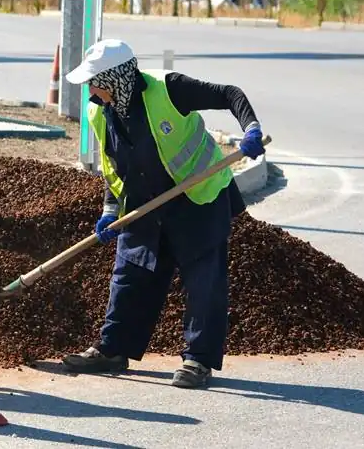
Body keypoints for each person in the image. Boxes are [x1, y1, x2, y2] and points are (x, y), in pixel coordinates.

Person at [61, 39, 266, 388]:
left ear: (115, 78)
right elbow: (114, 166)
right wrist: (111, 210)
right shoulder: (99, 110)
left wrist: (251, 129)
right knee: (129, 274)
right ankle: (113, 350)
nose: (90, 90)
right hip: (145, 203)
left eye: (95, 81)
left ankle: (197, 361)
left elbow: (230, 94)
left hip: (198, 200)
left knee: (203, 283)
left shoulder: (170, 90)